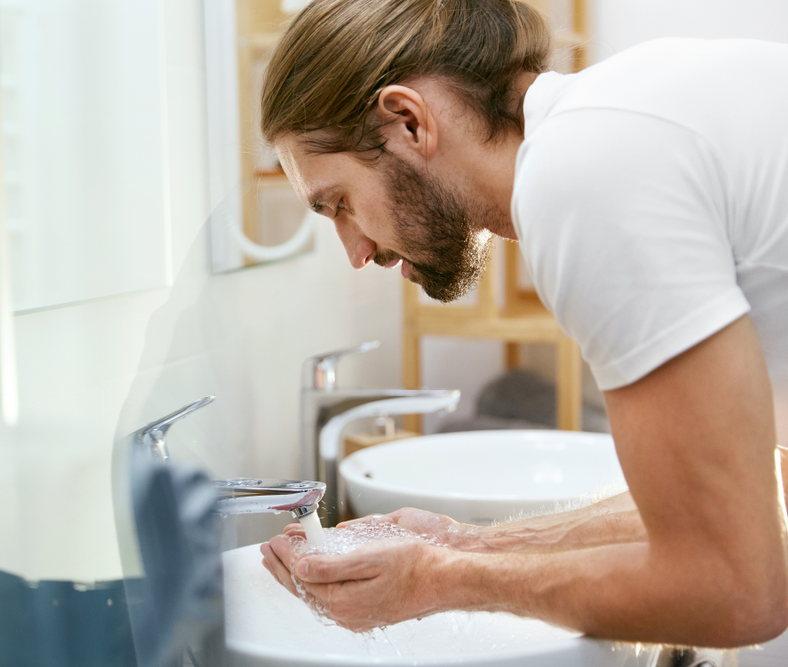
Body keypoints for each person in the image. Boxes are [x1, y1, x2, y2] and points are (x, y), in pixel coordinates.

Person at [257, 0, 788, 647]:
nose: (357, 252)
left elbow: (733, 588)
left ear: (408, 120)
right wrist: (467, 543)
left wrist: (439, 579)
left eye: (340, 203)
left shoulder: (581, 181)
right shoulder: (604, 126)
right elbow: (754, 487)